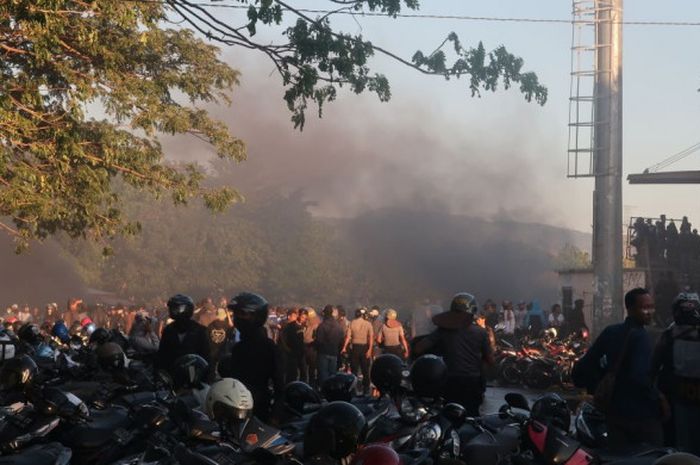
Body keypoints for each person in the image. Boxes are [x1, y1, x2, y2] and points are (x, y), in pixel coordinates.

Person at [572, 288, 666, 448]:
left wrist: (596, 386)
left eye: (651, 307)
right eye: (644, 307)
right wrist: (659, 398)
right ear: (630, 309)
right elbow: (640, 377)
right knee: (655, 455)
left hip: (613, 412)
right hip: (641, 415)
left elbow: (583, 366)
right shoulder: (642, 337)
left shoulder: (611, 332)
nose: (649, 312)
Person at [414, 292, 494, 416]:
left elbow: (419, 348)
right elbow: (490, 360)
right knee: (471, 419)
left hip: (449, 381)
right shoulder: (481, 333)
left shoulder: (443, 330)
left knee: (449, 417)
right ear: (472, 310)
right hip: (472, 382)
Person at [220, 292, 284, 423]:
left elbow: (280, 386)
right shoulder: (238, 348)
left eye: (242, 314)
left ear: (257, 316)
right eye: (236, 314)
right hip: (235, 409)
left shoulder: (269, 348)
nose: (237, 318)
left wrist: (276, 416)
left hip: (259, 411)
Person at [652, 292, 700, 454]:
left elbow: (652, 368)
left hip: (674, 400)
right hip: (675, 400)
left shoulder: (668, 335)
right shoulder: (668, 335)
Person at [156, 294, 210, 375]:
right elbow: (162, 355)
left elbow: (207, 356)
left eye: (175, 308)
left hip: (194, 375)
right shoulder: (168, 330)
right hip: (173, 375)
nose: (172, 311)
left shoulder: (200, 330)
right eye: (172, 308)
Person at [342, 308, 374, 396]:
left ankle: (354, 389)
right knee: (365, 370)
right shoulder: (368, 324)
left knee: (354, 370)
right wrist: (370, 350)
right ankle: (366, 389)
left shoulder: (352, 323)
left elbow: (348, 337)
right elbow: (371, 338)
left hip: (355, 348)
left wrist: (344, 347)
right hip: (364, 348)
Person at [315, 305, 345, 385]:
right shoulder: (338, 326)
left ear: (324, 313)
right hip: (334, 352)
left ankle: (325, 391)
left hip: (323, 353)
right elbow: (342, 340)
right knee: (333, 374)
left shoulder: (322, 326)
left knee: (324, 373)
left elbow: (318, 340)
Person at [281, 308, 306, 383]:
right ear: (289, 316)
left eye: (296, 316)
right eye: (294, 316)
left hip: (299, 352)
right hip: (291, 352)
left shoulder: (298, 326)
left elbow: (301, 340)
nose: (296, 317)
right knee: (291, 373)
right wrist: (287, 349)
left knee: (301, 371)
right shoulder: (286, 327)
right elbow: (283, 339)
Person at [303, 307, 320, 388]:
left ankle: (311, 384)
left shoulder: (316, 324)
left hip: (312, 348)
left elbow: (317, 337)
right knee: (304, 368)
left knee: (312, 368)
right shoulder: (303, 324)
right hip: (304, 347)